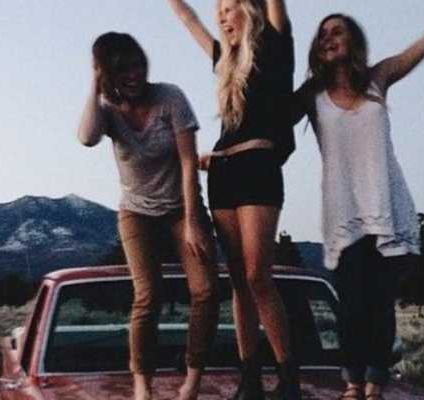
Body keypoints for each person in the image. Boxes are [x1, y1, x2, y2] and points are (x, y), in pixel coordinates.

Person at [289, 1, 424, 399]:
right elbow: (269, 122)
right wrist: (221, 155)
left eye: (337, 31)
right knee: (352, 304)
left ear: (353, 41)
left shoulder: (377, 79)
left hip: (387, 208)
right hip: (344, 214)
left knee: (381, 303)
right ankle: (353, 380)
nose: (328, 38)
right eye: (323, 34)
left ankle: (374, 382)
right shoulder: (312, 94)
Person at [166, 1, 300, 399]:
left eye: (229, 8)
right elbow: (187, 18)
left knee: (258, 275)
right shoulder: (223, 59)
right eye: (219, 11)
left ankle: (288, 380)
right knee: (239, 281)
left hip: (259, 169)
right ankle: (250, 379)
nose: (222, 17)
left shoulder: (275, 46)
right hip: (223, 173)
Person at [76, 32, 219, 400]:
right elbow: (87, 137)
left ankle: (192, 381)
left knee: (205, 289)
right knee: (148, 296)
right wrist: (94, 82)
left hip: (182, 207)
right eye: (122, 69)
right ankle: (143, 386)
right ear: (108, 73)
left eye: (137, 64)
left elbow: (188, 162)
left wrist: (192, 222)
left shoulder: (170, 97)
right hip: (136, 213)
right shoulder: (107, 109)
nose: (133, 74)